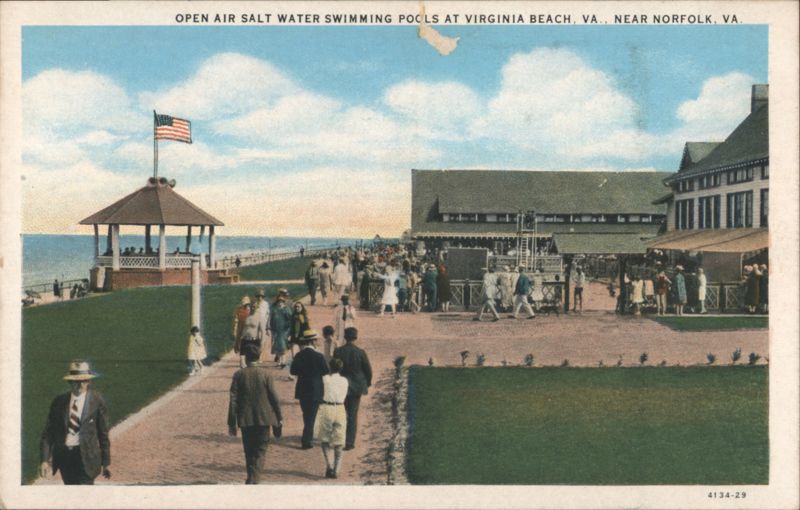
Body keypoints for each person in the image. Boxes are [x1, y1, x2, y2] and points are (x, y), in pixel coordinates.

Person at [40, 360, 111, 485]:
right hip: (65, 459)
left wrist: (106, 463)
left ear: (89, 381)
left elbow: (103, 433)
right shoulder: (59, 402)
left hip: (87, 458)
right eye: (75, 381)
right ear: (69, 381)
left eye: (83, 381)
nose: (79, 385)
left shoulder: (97, 400)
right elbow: (48, 433)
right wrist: (44, 460)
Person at [227, 344, 283, 484]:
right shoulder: (266, 374)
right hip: (264, 418)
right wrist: (279, 416)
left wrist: (231, 422)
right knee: (260, 450)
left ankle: (251, 477)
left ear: (246, 358)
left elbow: (233, 400)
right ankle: (254, 479)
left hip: (246, 419)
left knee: (249, 450)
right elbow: (274, 398)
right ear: (259, 357)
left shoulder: (239, 374)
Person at [289, 330, 330, 449]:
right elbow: (325, 371)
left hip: (302, 388)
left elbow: (293, 371)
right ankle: (306, 440)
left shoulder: (299, 355)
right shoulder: (319, 356)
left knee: (306, 414)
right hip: (316, 389)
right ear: (312, 341)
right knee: (311, 416)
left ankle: (307, 434)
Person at [333, 327, 372, 451]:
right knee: (352, 414)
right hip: (356, 387)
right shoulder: (360, 352)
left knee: (341, 413)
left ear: (345, 337)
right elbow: (368, 370)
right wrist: (367, 383)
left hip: (341, 385)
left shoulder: (338, 351)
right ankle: (349, 441)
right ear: (356, 337)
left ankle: (340, 438)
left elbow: (334, 368)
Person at [315, 358, 349, 479]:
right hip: (340, 408)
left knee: (325, 439)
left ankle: (329, 465)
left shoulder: (325, 379)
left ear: (330, 368)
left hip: (327, 408)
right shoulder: (345, 381)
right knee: (339, 441)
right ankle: (337, 468)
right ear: (341, 368)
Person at [269, 289, 293, 368]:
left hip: (283, 330)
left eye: (282, 302)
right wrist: (269, 327)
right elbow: (270, 318)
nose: (280, 303)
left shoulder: (286, 309)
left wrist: (288, 328)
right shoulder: (274, 309)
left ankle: (283, 361)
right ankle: (279, 361)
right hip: (275, 330)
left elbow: (290, 318)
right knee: (277, 346)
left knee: (283, 346)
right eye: (279, 302)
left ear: (283, 302)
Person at [233, 296, 252, 368]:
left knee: (248, 344)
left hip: (248, 329)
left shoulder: (251, 310)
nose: (246, 305)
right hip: (240, 328)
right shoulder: (239, 310)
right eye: (245, 304)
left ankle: (247, 360)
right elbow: (236, 320)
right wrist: (235, 330)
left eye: (247, 304)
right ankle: (242, 362)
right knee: (241, 344)